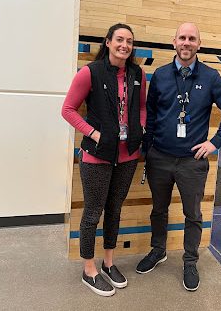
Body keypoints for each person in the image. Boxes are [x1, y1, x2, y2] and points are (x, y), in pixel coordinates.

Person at [136, 22, 221, 291]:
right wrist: (147, 151)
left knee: (192, 213)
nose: (186, 42)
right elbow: (152, 114)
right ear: (174, 42)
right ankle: (158, 250)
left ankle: (190, 261)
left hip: (192, 162)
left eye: (192, 38)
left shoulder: (210, 77)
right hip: (160, 157)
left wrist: (214, 143)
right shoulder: (159, 75)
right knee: (158, 209)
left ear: (198, 44)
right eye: (182, 37)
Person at [62, 23, 146, 296]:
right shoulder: (91, 72)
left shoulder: (137, 73)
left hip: (128, 155)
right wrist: (94, 134)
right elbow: (68, 109)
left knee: (115, 210)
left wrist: (140, 128)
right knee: (92, 213)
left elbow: (142, 106)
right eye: (119, 39)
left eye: (129, 41)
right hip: (97, 156)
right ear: (108, 42)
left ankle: (109, 263)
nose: (125, 45)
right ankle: (89, 269)